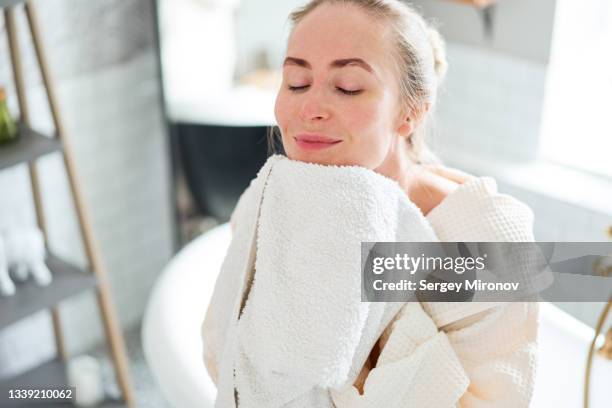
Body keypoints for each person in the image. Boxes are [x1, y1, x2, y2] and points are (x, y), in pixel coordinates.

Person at [203, 1, 539, 406]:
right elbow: (229, 356)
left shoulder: (486, 243)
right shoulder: (267, 203)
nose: (309, 109)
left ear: (410, 112)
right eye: (295, 82)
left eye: (347, 87)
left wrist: (369, 323)